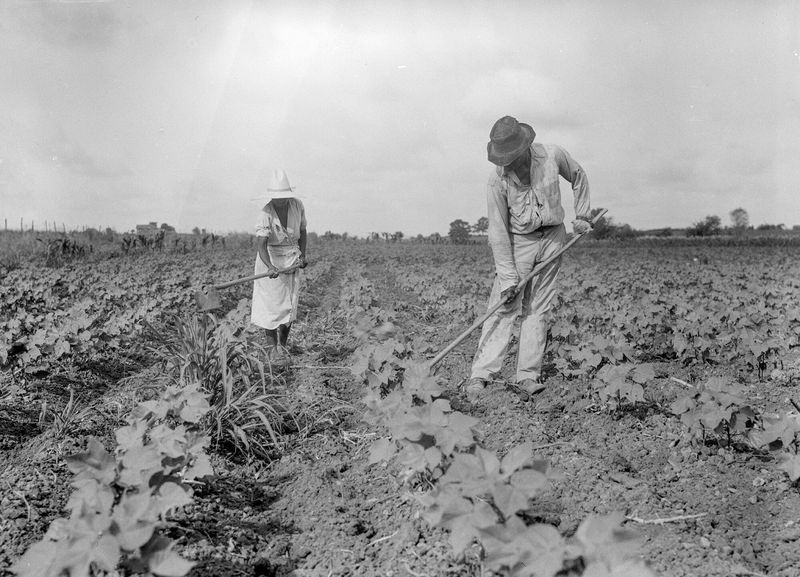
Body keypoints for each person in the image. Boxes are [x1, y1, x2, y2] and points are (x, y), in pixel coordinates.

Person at [466, 116, 592, 401]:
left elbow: (579, 176)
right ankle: (481, 375)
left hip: (553, 237)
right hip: (519, 241)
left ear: (524, 147)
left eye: (510, 156)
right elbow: (497, 232)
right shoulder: (496, 180)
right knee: (503, 305)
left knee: (538, 307)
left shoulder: (552, 156)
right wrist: (509, 278)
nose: (506, 163)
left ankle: (527, 375)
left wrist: (582, 215)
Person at [251, 169, 308, 366]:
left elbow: (303, 231)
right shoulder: (266, 212)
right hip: (271, 258)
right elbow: (261, 244)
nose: (281, 200)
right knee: (271, 308)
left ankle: (282, 348)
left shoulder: (297, 206)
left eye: (284, 197)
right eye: (277, 197)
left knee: (288, 306)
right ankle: (271, 350)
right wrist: (269, 267)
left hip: (291, 259)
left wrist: (302, 255)